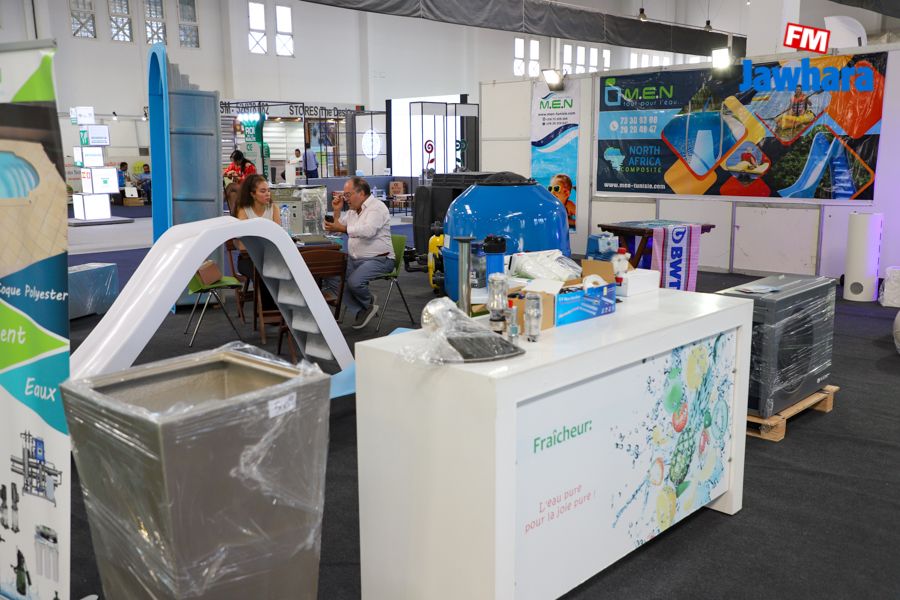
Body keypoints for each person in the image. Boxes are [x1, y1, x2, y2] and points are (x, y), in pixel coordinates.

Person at [324, 176, 394, 329]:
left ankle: (365, 301)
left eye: (348, 195)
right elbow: (337, 229)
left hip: (379, 259)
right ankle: (364, 306)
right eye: (345, 195)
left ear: (361, 193)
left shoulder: (377, 207)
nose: (346, 199)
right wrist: (336, 211)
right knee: (330, 276)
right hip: (355, 260)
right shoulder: (352, 212)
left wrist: (343, 228)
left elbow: (368, 231)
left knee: (354, 282)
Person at [234, 174, 281, 308]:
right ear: (252, 194)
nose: (267, 194)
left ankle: (279, 310)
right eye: (263, 191)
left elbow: (278, 236)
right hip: (248, 259)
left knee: (284, 271)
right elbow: (243, 242)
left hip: (270, 257)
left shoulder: (273, 208)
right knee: (263, 273)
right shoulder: (243, 210)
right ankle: (269, 311)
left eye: (268, 190)